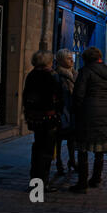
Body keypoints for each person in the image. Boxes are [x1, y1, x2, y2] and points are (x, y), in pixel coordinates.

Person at [70, 47, 107, 194]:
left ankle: (82, 183)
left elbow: (78, 95)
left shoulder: (85, 71)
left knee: (83, 149)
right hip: (104, 113)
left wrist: (75, 111)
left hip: (87, 114)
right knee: (99, 149)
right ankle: (96, 178)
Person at [23, 50, 63, 193]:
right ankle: (42, 183)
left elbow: (25, 95)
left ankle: (34, 181)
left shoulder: (31, 75)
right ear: (47, 62)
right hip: (48, 118)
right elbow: (59, 97)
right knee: (45, 152)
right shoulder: (52, 76)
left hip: (35, 118)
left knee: (37, 148)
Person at [55, 49, 78, 175]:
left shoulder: (75, 74)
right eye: (68, 58)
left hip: (72, 111)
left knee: (72, 138)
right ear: (60, 60)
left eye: (71, 58)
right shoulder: (57, 75)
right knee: (58, 139)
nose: (71, 60)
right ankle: (59, 162)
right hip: (62, 111)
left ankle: (72, 161)